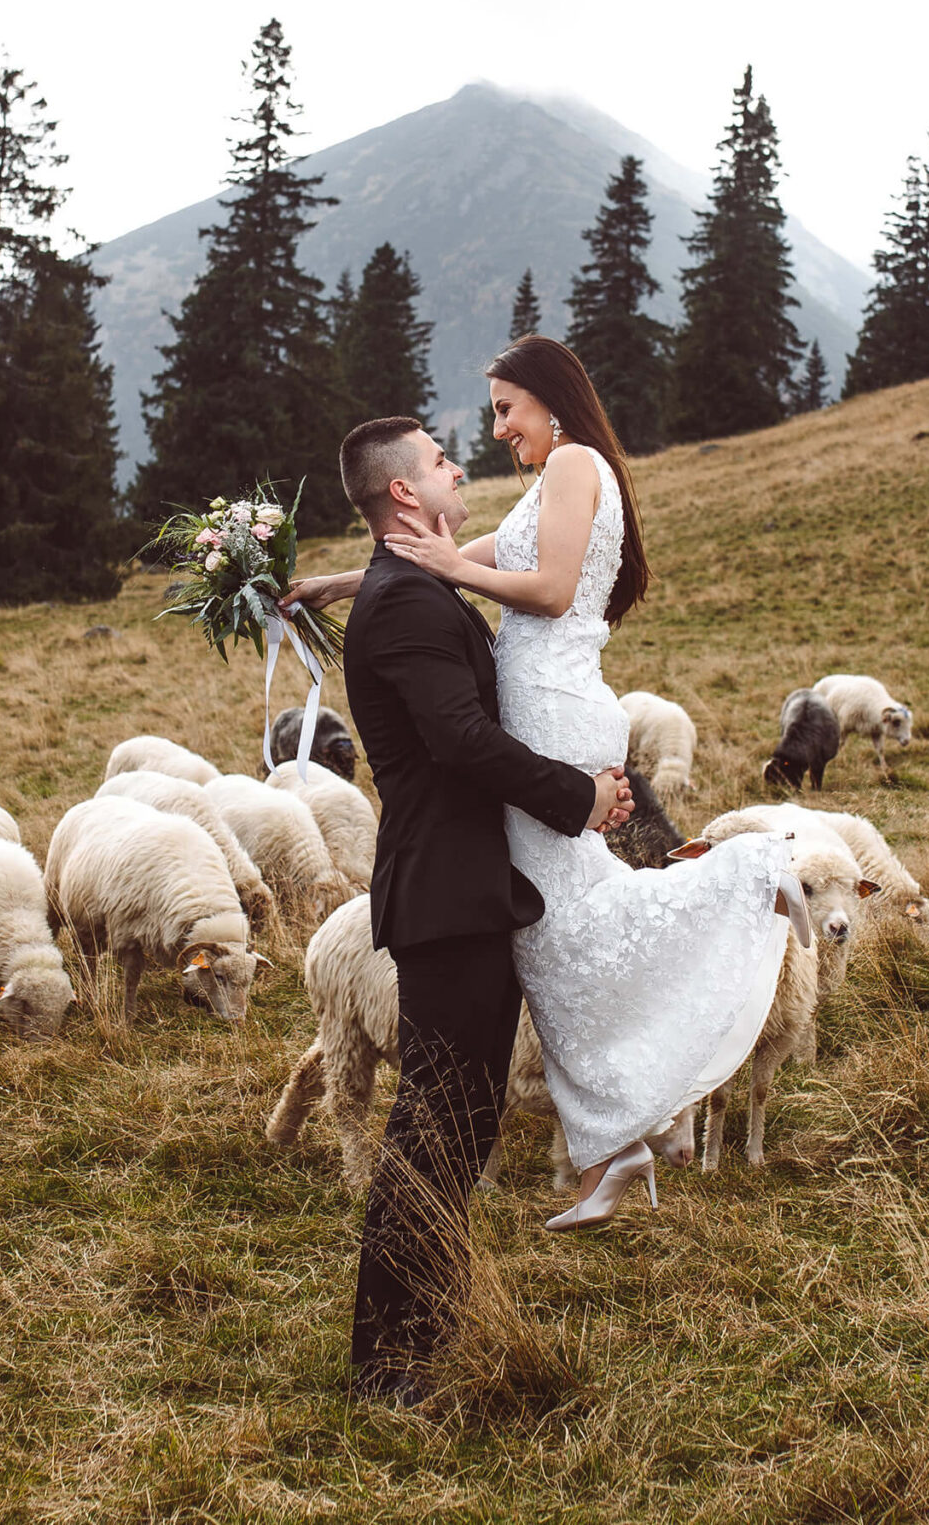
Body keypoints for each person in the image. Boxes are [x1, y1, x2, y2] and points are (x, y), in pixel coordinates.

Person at [291, 336, 803, 1251]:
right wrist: (345, 579)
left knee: (564, 923)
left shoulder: (572, 460)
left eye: (503, 408)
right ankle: (613, 1139)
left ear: (548, 399)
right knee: (562, 923)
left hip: (552, 712)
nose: (495, 430)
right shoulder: (559, 476)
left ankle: (747, 875)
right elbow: (482, 548)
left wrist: (449, 571)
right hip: (550, 708)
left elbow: (554, 587)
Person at [326, 413, 635, 1403]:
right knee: (436, 1121)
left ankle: (425, 1323)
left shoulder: (413, 584)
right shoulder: (408, 602)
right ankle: (390, 1363)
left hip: (464, 886)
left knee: (456, 1121)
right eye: (443, 459)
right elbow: (460, 741)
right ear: (404, 493)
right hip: (446, 890)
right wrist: (575, 797)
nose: (462, 465)